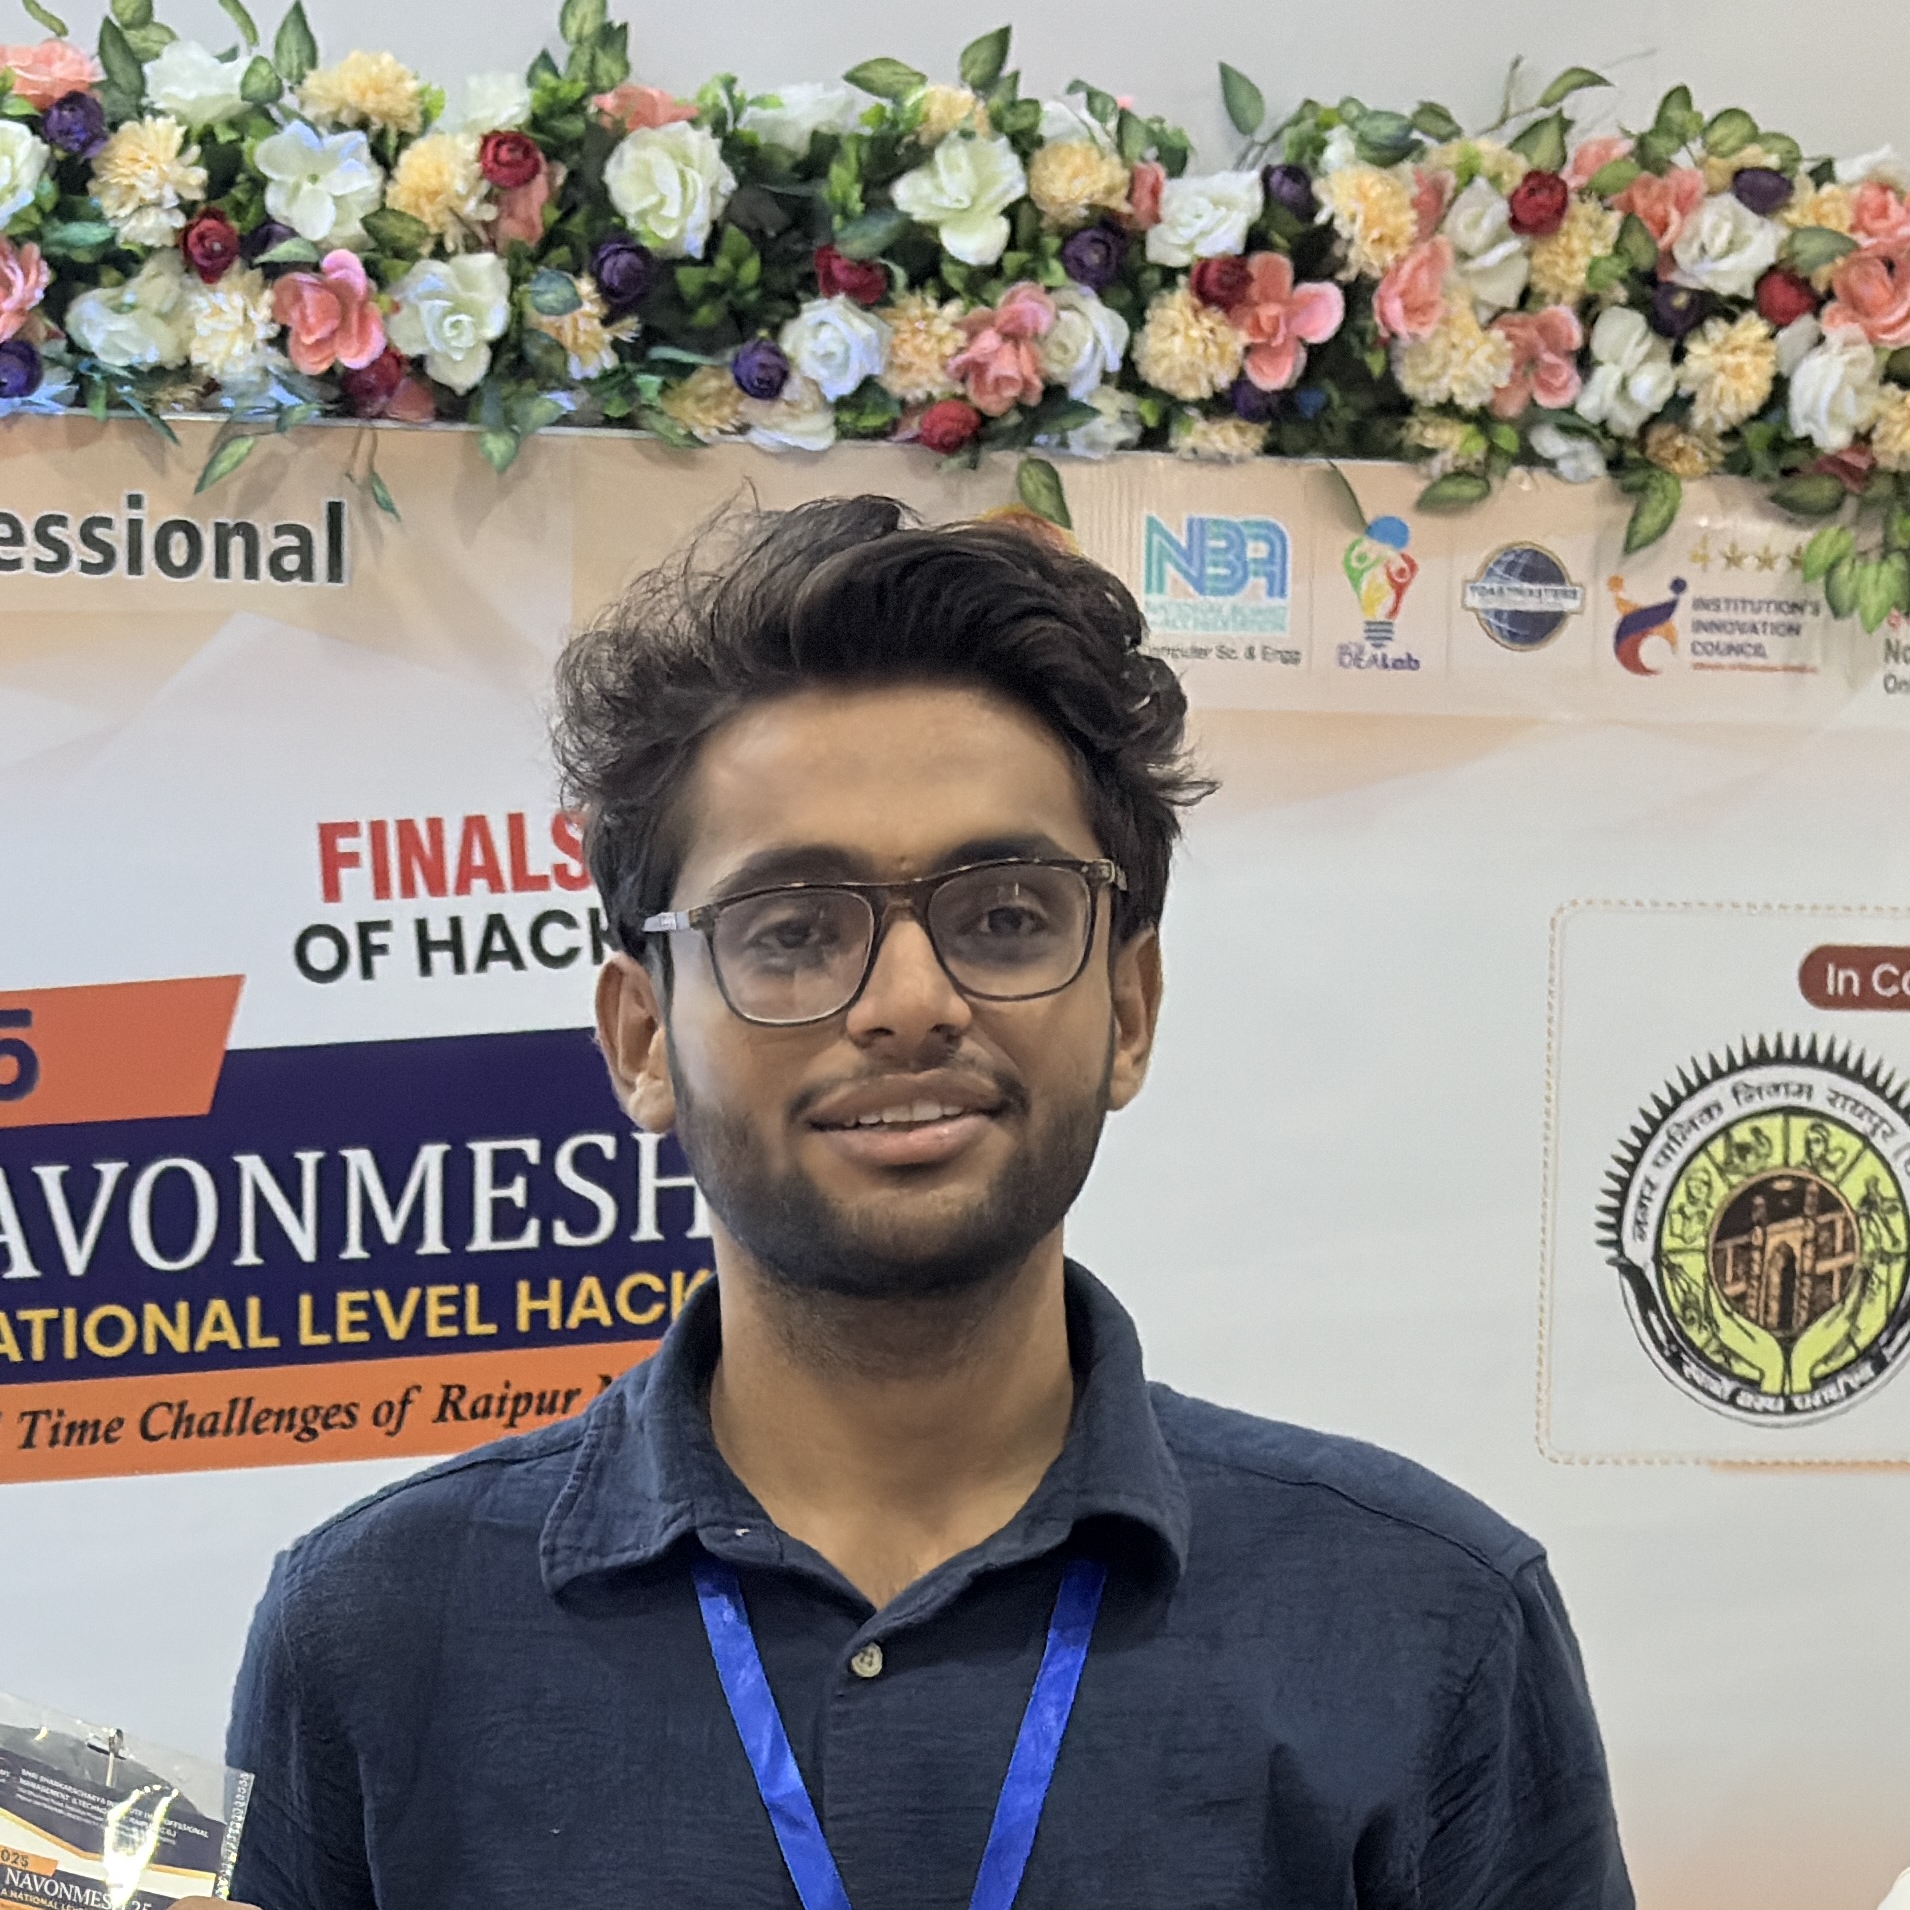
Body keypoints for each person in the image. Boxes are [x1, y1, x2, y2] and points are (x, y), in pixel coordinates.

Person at [213, 497, 1633, 1910]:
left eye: (1004, 915)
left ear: (1129, 1007)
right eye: (790, 930)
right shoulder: (370, 1632)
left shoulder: (1427, 1615)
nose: (909, 1002)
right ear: (642, 1036)